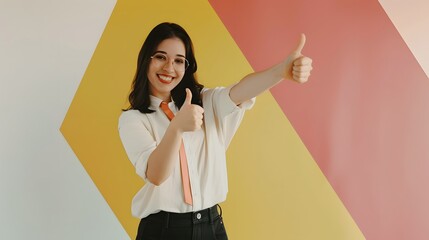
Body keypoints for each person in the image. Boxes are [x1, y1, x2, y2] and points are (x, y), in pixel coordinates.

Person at [118, 22, 313, 240]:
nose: (169, 67)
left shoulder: (206, 102)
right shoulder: (133, 120)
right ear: (146, 59)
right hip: (164, 230)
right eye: (160, 57)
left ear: (187, 67)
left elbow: (241, 90)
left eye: (179, 61)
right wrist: (176, 128)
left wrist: (281, 71)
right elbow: (156, 174)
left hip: (212, 226)